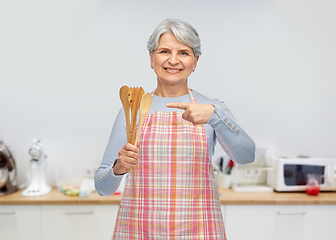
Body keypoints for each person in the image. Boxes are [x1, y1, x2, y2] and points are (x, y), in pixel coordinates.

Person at [95, 18, 255, 240]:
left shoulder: (212, 109)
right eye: (164, 51)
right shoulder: (132, 111)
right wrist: (119, 167)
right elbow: (103, 188)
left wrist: (215, 117)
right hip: (140, 229)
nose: (173, 60)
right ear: (151, 58)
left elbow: (247, 156)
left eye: (184, 53)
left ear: (195, 61)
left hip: (199, 229)